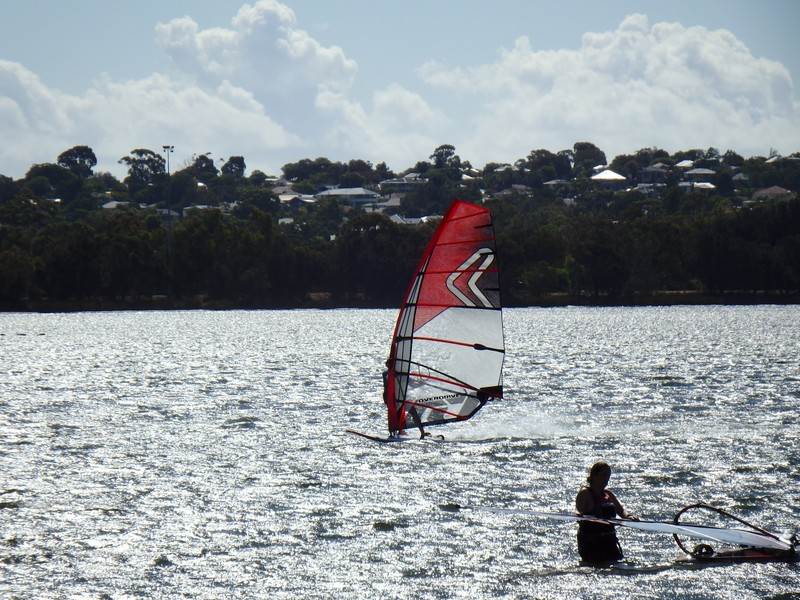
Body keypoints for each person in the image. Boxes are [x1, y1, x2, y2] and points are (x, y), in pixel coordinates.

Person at [575, 461, 637, 563]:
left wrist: (628, 516)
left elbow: (621, 511)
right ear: (594, 476)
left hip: (609, 540)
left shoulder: (608, 494)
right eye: (603, 475)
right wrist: (579, 514)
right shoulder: (585, 493)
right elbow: (578, 510)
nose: (606, 478)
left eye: (608, 476)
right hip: (591, 541)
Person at [383, 358, 427, 439]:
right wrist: (385, 398)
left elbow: (412, 384)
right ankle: (392, 433)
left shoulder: (401, 374)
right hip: (393, 399)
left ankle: (422, 433)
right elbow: (386, 387)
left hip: (402, 398)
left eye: (390, 365)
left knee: (413, 413)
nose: (389, 366)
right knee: (393, 416)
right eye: (388, 365)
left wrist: (421, 383)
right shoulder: (385, 374)